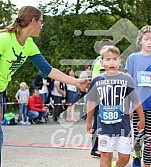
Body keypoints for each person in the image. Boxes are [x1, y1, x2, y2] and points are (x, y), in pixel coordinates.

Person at [0, 6, 90, 163]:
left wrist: (76, 82)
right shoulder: (4, 39)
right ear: (33, 21)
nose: (42, 25)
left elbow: (48, 71)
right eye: (41, 22)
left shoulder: (29, 45)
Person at [86, 45, 145, 167]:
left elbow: (136, 100)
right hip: (104, 127)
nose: (111, 62)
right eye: (107, 59)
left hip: (123, 126)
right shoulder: (97, 81)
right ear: (102, 63)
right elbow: (91, 102)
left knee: (124, 158)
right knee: (106, 156)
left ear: (119, 61)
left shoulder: (127, 79)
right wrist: (88, 121)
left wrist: (142, 118)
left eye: (114, 59)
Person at [125, 25, 151, 167]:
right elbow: (128, 82)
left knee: (148, 138)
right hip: (137, 104)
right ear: (140, 41)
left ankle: (147, 165)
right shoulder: (133, 58)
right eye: (146, 39)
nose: (149, 42)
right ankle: (136, 155)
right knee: (138, 137)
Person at [89, 39, 115, 157]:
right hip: (101, 95)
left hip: (98, 94)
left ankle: (97, 147)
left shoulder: (97, 60)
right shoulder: (101, 62)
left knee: (99, 122)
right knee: (100, 122)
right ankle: (97, 147)